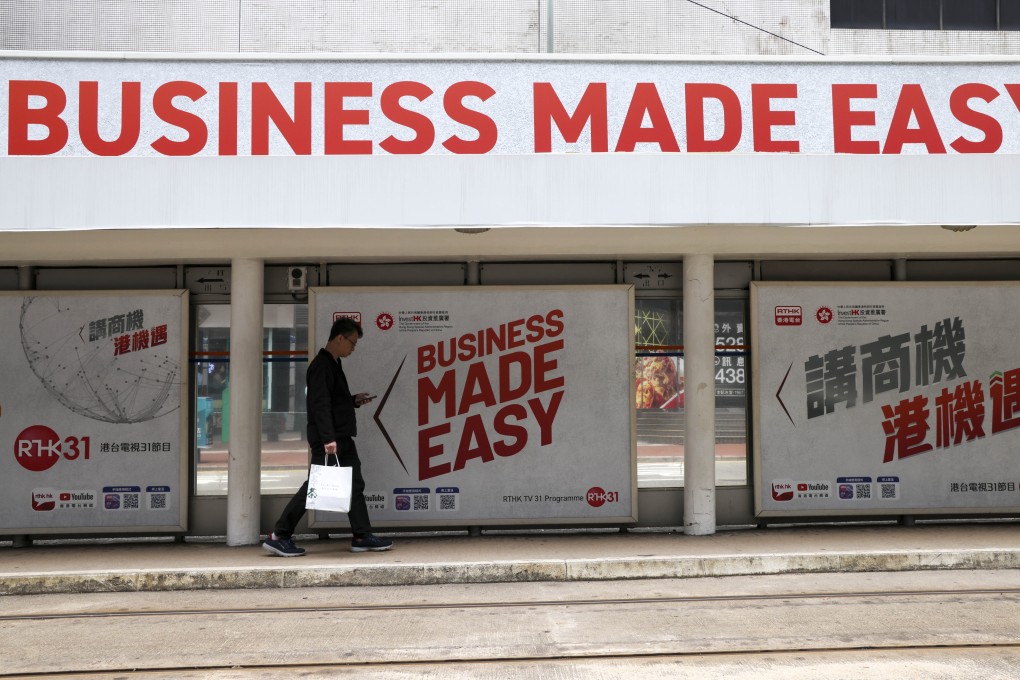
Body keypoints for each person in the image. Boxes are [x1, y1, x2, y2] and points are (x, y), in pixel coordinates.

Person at [263, 317, 393, 556]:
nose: (353, 348)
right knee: (315, 485)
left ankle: (362, 535)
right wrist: (328, 439)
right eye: (352, 343)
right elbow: (319, 404)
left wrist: (352, 400)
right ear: (340, 338)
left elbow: (331, 401)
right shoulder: (322, 365)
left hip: (340, 436)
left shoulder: (333, 363)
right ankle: (279, 534)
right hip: (331, 439)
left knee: (354, 484)